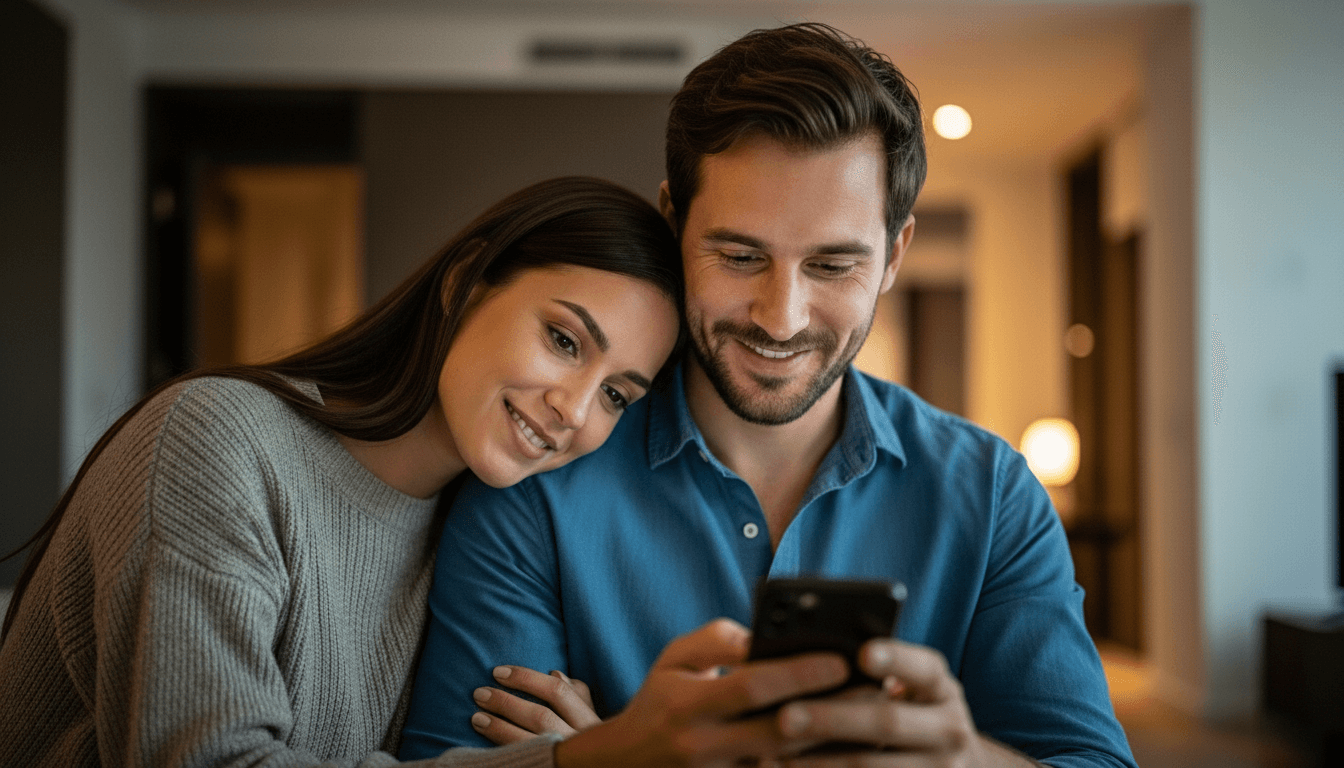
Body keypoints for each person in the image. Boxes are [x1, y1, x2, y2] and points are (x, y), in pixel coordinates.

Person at [398, 23, 1139, 768]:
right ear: (673, 222)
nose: (779, 317)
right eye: (740, 255)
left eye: (832, 264)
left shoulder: (993, 494)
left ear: (894, 255)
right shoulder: (538, 475)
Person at [0, 177, 686, 767]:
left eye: (616, 395)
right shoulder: (219, 439)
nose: (574, 409)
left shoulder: (481, 541)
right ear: (463, 284)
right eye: (564, 340)